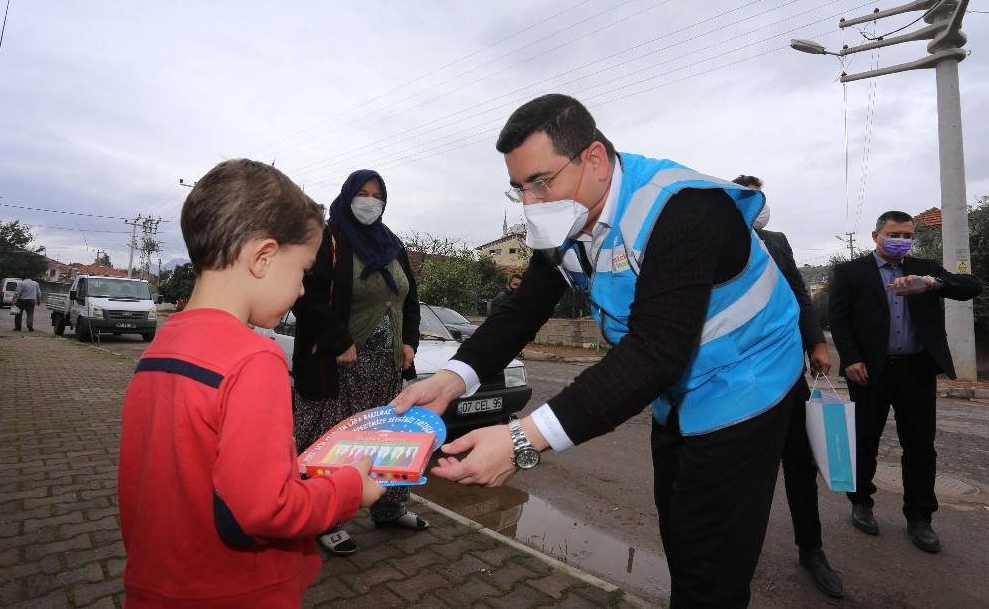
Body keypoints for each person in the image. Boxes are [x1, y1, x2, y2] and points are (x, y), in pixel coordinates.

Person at [393, 94, 805, 607]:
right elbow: (522, 311)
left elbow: (655, 350)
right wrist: (453, 378)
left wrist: (523, 439)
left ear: (594, 159)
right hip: (676, 390)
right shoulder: (566, 221)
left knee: (711, 559)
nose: (530, 204)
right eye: (519, 188)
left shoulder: (685, 209)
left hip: (748, 382)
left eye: (541, 182)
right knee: (679, 529)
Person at [117, 159, 384, 607]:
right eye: (301, 271)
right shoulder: (254, 358)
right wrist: (349, 490)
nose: (302, 290)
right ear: (263, 257)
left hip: (157, 585)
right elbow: (264, 509)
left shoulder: (162, 347)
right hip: (238, 591)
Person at [829, 210, 982, 554]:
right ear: (876, 235)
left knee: (919, 447)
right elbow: (838, 319)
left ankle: (920, 517)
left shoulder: (925, 268)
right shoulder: (851, 272)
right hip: (869, 372)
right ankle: (862, 503)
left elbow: (972, 287)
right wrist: (851, 358)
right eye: (895, 234)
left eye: (908, 235)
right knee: (864, 442)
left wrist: (933, 283)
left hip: (917, 371)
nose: (902, 241)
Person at [292, 169, 423, 557]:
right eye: (362, 193)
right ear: (347, 196)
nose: (370, 200)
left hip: (385, 367)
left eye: (376, 194)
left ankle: (389, 508)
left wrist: (409, 342)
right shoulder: (328, 239)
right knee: (337, 444)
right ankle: (326, 519)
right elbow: (306, 296)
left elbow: (408, 298)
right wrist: (338, 341)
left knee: (385, 444)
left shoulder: (392, 243)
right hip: (341, 367)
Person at [733, 174, 843, 598]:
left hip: (787, 374)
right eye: (748, 198)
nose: (757, 207)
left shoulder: (776, 240)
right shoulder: (711, 239)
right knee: (742, 473)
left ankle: (812, 550)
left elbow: (799, 292)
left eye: (761, 198)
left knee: (800, 464)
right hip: (736, 380)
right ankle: (734, 557)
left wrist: (817, 342)